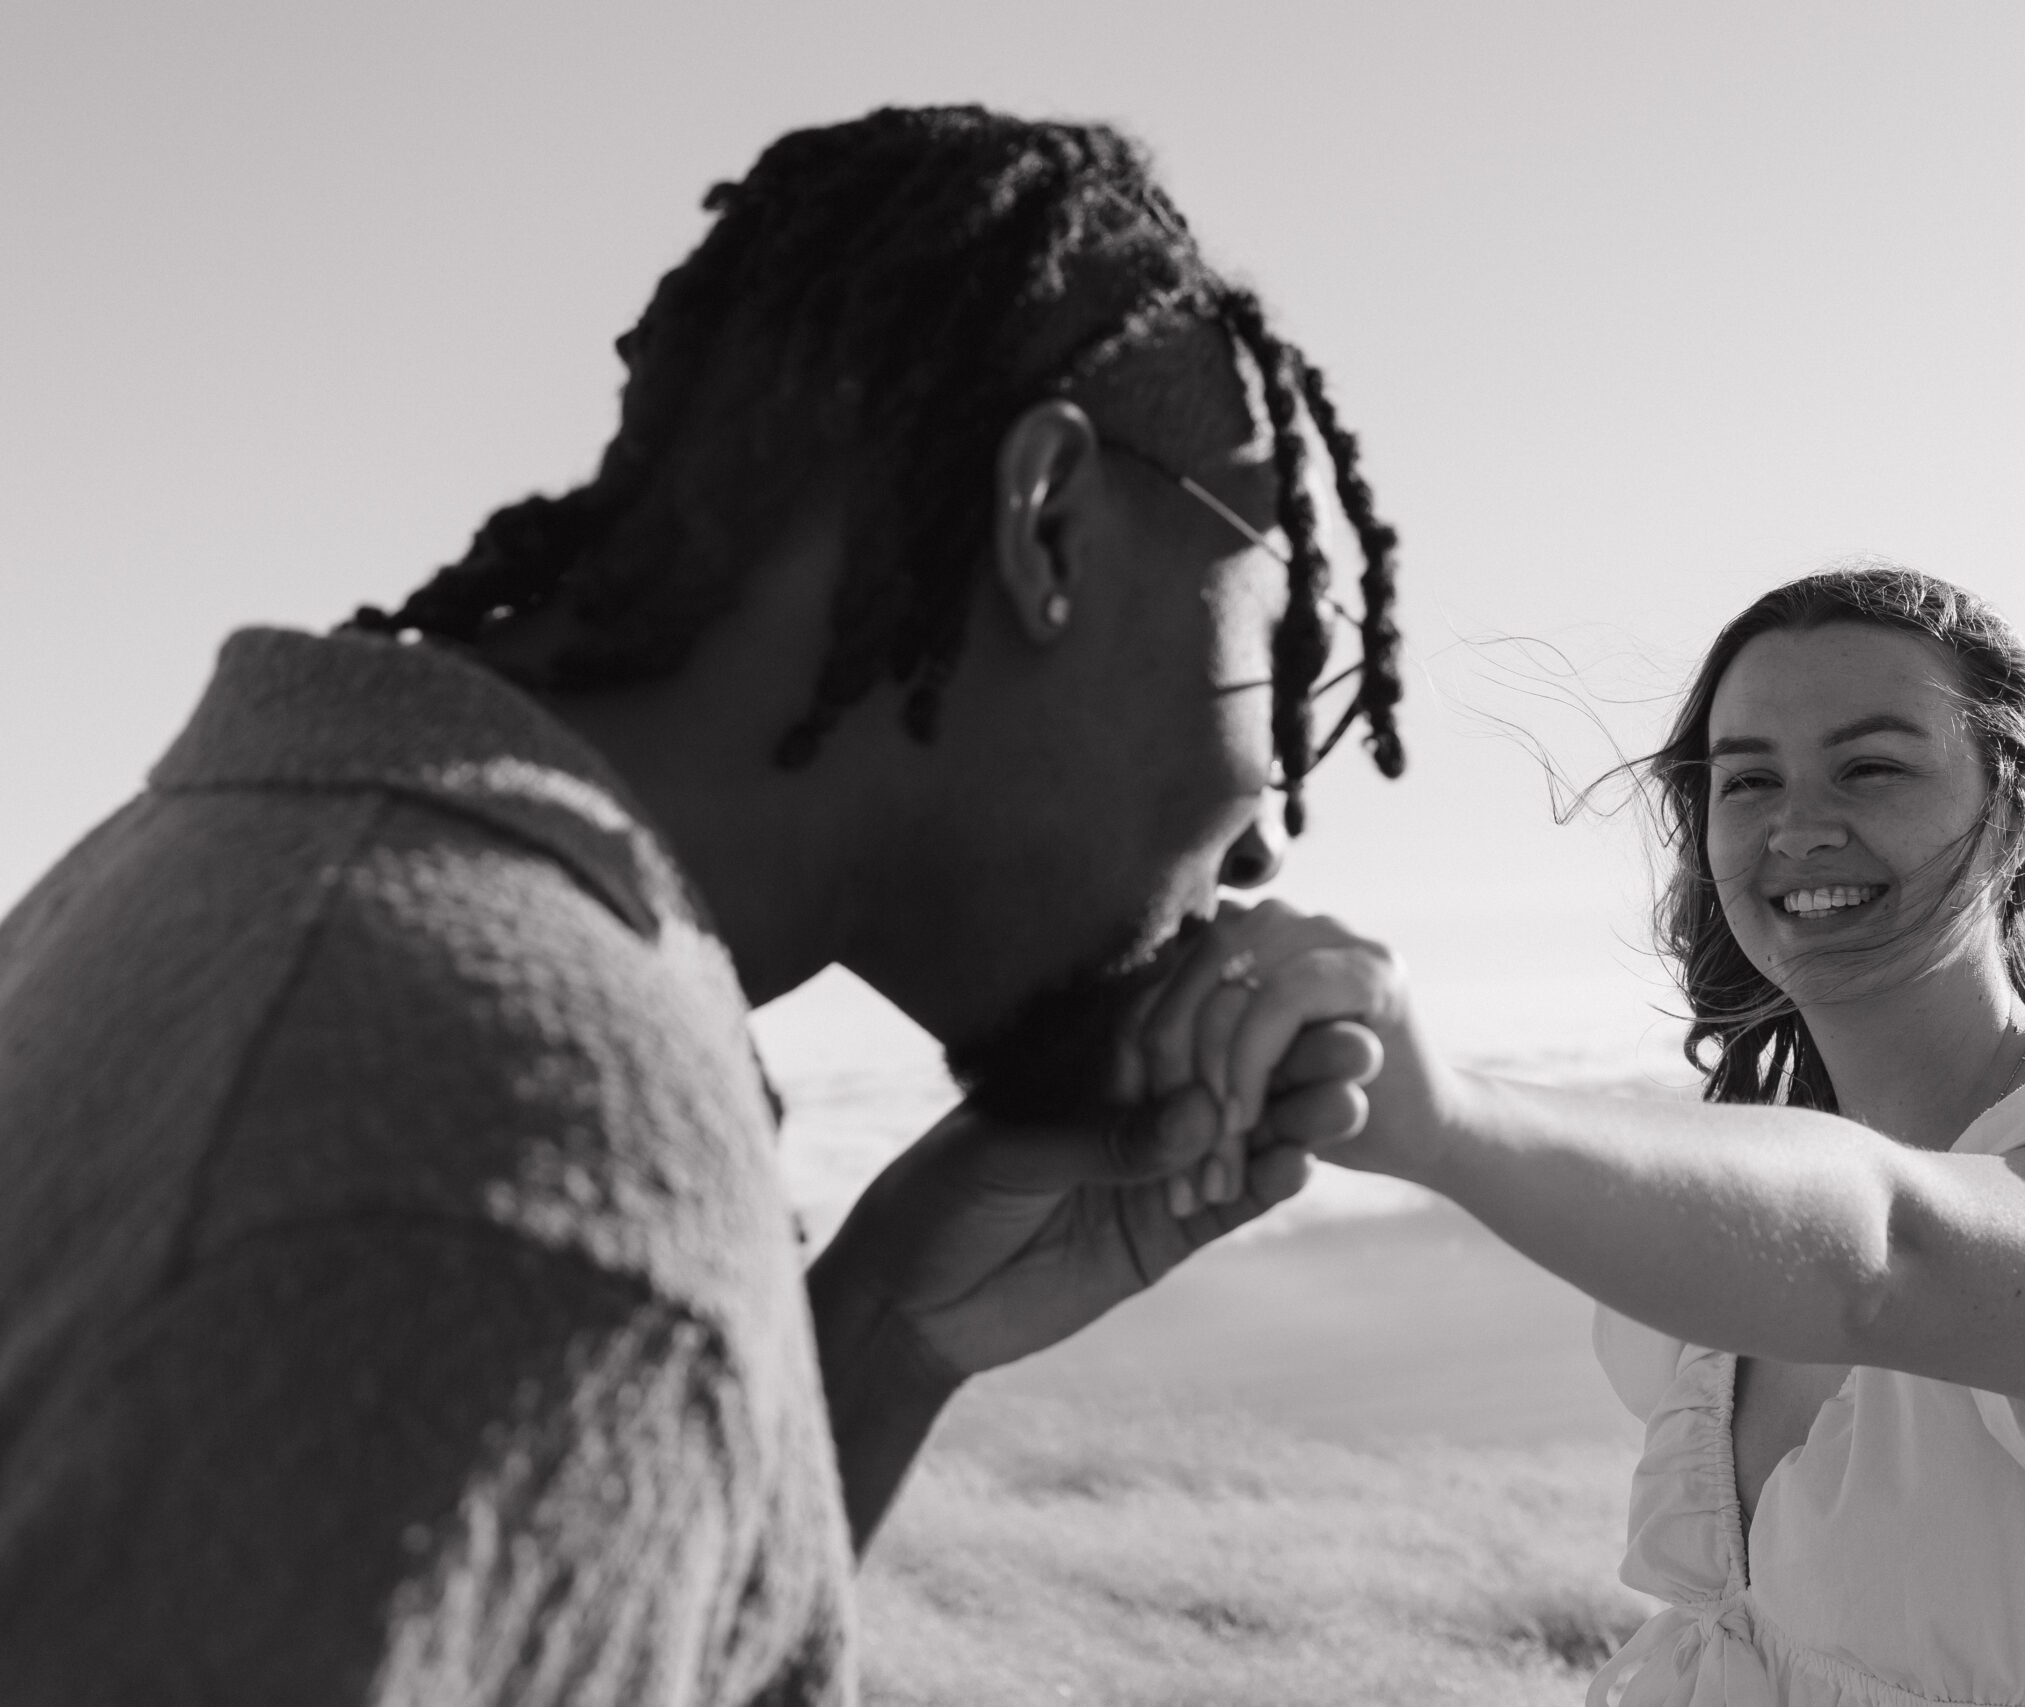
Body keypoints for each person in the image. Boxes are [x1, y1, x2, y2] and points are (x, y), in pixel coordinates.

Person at [0, 107, 1404, 1701]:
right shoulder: (509, 1158)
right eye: (1284, 643)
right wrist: (647, 1268)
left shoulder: (253, 880)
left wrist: (877, 1334)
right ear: (1049, 524)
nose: (1269, 833)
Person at [1132, 564, 2025, 1706]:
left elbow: (1883, 1256)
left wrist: (1437, 1118)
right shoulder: (1739, 1209)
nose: (1797, 825)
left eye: (1872, 767)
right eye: (1748, 780)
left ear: (2014, 813)